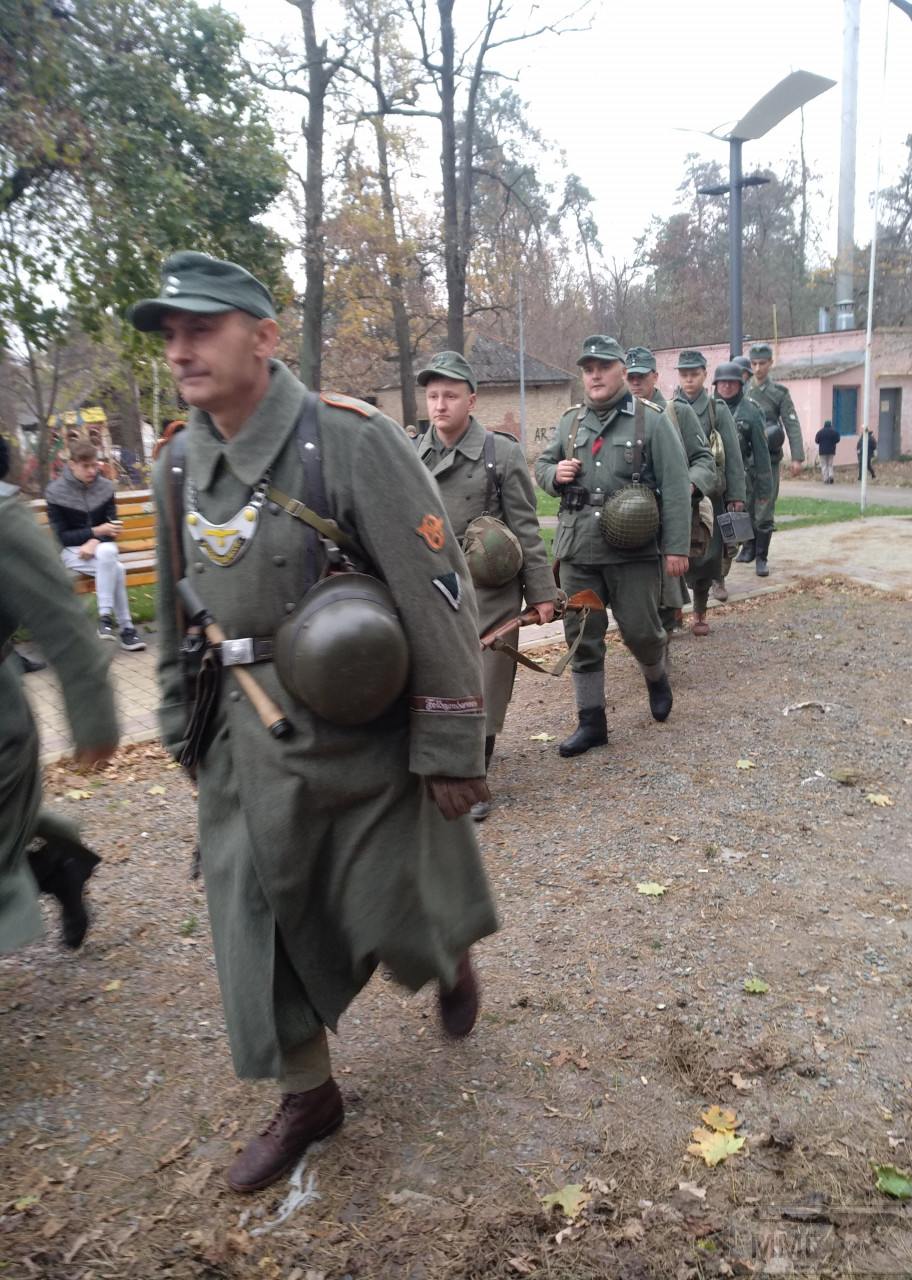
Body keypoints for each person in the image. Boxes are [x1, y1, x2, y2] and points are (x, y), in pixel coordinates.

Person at [132, 250, 498, 1194]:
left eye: (200, 328)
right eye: (169, 334)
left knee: (391, 899)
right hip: (239, 736)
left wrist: (452, 741)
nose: (180, 350)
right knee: (251, 919)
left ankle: (446, 953)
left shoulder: (348, 440)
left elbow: (439, 594)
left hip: (355, 720)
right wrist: (182, 726)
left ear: (261, 336)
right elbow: (177, 613)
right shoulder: (178, 460)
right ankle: (309, 1094)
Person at [415, 350, 555, 821]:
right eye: (433, 395)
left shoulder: (502, 453)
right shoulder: (414, 452)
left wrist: (541, 593)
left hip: (489, 588)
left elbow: (527, 526)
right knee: (434, 679)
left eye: (450, 395)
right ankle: (438, 764)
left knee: (485, 684)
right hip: (433, 586)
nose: (440, 405)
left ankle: (475, 777)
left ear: (471, 400)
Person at [535, 335, 690, 755]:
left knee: (642, 631)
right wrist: (555, 474)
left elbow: (676, 487)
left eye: (603, 366)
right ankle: (592, 722)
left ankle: (656, 676)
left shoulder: (651, 420)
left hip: (633, 551)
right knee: (581, 636)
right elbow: (543, 466)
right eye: (588, 369)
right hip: (579, 549)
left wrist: (677, 548)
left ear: (622, 369)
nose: (595, 375)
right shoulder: (570, 422)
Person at [0, 435, 118, 956]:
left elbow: (63, 623)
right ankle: (57, 868)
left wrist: (93, 721)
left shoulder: (4, 520)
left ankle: (53, 866)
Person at [624, 346, 716, 634]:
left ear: (655, 376)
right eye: (631, 377)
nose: (636, 383)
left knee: (666, 586)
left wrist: (688, 483)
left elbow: (705, 459)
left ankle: (659, 651)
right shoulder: (621, 417)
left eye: (642, 377)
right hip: (631, 519)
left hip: (669, 515)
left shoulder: (677, 412)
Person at [45, 441, 146, 651]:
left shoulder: (106, 487)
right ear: (72, 465)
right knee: (115, 567)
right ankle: (127, 630)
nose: (92, 471)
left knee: (108, 554)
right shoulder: (55, 492)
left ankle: (105, 620)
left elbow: (114, 527)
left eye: (94, 465)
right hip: (72, 552)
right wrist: (97, 532)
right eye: (86, 466)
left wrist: (95, 539)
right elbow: (63, 537)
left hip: (102, 550)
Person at [673, 353, 747, 636]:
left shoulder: (717, 409)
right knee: (676, 552)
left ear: (705, 374)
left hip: (710, 494)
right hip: (677, 493)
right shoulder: (670, 407)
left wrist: (736, 495)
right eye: (684, 374)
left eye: (694, 373)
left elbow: (733, 454)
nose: (689, 379)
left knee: (706, 556)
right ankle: (676, 609)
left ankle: (700, 613)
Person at [742, 342, 805, 578]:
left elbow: (791, 423)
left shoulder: (779, 393)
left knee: (765, 506)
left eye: (762, 363)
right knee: (745, 502)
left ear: (770, 363)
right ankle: (747, 547)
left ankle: (761, 557)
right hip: (745, 457)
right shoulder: (743, 390)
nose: (757, 368)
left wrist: (797, 456)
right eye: (754, 364)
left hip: (768, 458)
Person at [713, 361, 773, 598]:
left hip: (739, 483)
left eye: (732, 382)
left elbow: (761, 453)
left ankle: (721, 578)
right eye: (722, 382)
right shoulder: (708, 407)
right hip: (710, 480)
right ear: (716, 384)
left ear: (740, 384)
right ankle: (708, 579)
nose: (726, 387)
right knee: (707, 533)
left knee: (731, 536)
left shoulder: (750, 411)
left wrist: (764, 487)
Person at [815, 419, 841, 483]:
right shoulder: (834, 432)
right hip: (831, 451)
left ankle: (826, 479)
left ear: (824, 425)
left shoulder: (820, 432)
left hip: (822, 451)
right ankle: (831, 476)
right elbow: (838, 439)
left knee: (824, 465)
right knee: (830, 465)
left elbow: (816, 441)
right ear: (830, 425)